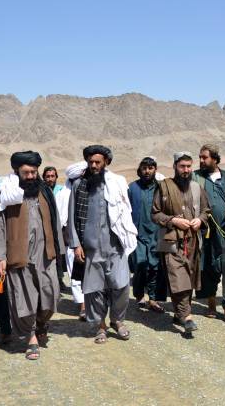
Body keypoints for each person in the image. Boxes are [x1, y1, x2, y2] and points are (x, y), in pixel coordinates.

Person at [0, 151, 64, 360]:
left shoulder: (45, 192)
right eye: (27, 173)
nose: (31, 176)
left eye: (34, 172)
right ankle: (30, 336)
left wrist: (59, 251)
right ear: (17, 172)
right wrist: (0, 257)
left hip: (45, 254)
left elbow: (55, 220)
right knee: (24, 299)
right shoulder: (7, 194)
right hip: (18, 254)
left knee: (51, 295)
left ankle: (42, 322)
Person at [69, 145, 137, 344]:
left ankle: (118, 320)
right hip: (90, 248)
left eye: (98, 162)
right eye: (90, 162)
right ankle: (100, 326)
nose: (93, 165)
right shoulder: (79, 185)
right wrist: (76, 245)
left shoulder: (117, 182)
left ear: (106, 162)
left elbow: (125, 213)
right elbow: (73, 217)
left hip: (115, 247)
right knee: (94, 290)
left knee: (122, 287)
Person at [152, 151, 210, 335]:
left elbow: (206, 211)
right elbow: (155, 214)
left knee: (190, 278)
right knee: (178, 277)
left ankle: (179, 313)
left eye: (188, 166)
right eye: (182, 166)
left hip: (193, 241)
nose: (186, 170)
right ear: (175, 167)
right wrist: (173, 221)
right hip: (171, 240)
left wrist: (200, 220)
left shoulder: (196, 187)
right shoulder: (164, 186)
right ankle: (187, 317)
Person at [193, 144, 225, 323]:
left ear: (215, 159)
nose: (201, 160)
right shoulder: (196, 177)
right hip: (207, 233)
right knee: (209, 268)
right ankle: (210, 302)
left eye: (204, 157)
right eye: (200, 157)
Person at [128, 157, 167, 313]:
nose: (147, 171)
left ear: (155, 169)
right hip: (138, 233)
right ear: (140, 170)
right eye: (144, 168)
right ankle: (139, 295)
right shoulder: (132, 188)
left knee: (155, 267)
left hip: (157, 233)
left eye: (150, 168)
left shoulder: (161, 188)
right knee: (141, 264)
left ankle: (152, 299)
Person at [55, 161, 88, 320]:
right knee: (76, 274)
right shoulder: (63, 194)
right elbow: (60, 220)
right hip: (71, 242)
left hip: (90, 240)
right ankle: (83, 306)